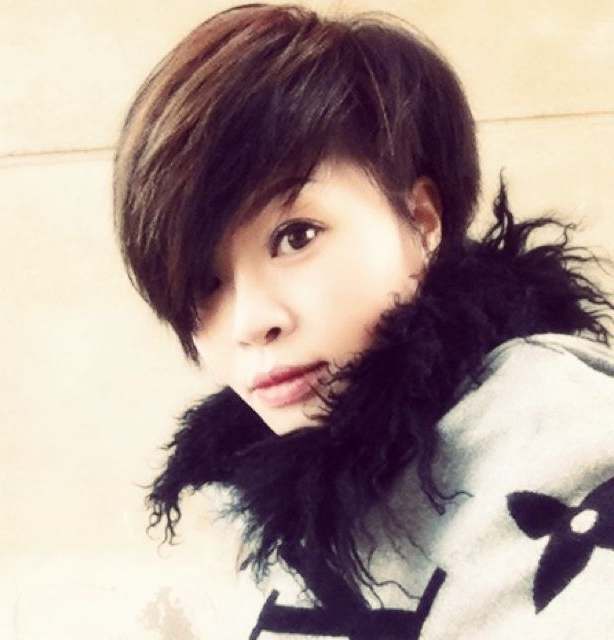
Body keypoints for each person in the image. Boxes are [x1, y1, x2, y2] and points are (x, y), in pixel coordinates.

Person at [113, 4, 614, 639]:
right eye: (204, 284)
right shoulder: (269, 508)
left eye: (296, 236)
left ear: (422, 221)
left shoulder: (561, 432)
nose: (250, 322)